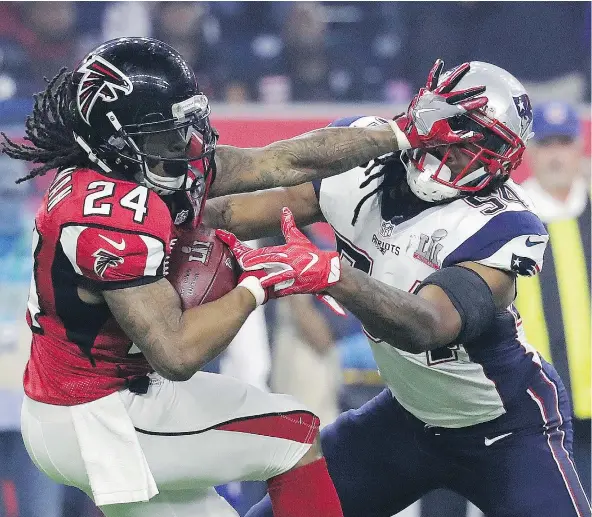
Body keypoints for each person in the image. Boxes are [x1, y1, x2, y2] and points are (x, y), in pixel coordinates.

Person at [0, 38, 484, 517]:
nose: (185, 145)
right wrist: (259, 283)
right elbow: (177, 353)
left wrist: (401, 134)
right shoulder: (108, 215)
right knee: (295, 436)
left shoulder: (139, 174)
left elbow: (284, 160)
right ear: (114, 139)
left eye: (185, 126)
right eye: (164, 133)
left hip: (96, 398)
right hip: (99, 413)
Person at [206, 60, 592, 517]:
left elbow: (428, 325)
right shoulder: (362, 155)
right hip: (408, 417)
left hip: (505, 425)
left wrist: (333, 275)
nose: (459, 153)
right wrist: (164, 218)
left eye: (479, 146)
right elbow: (241, 209)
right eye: (455, 130)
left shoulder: (505, 223)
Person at [517, 101, 591, 500]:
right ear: (530, 152)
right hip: (534, 411)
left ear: (580, 148)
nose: (557, 155)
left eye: (565, 143)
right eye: (547, 144)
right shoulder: (508, 218)